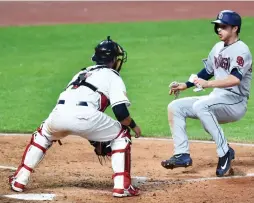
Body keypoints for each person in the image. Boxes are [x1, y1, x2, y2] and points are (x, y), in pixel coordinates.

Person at [9, 36, 141, 197]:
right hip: (85, 117)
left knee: (43, 134)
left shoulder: (82, 73)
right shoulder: (113, 76)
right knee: (121, 135)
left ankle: (19, 179)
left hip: (58, 115)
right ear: (113, 59)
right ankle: (122, 186)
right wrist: (133, 125)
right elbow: (121, 113)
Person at [161, 10, 252, 177]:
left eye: (223, 26)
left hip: (235, 101)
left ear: (235, 28)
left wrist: (208, 84)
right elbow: (207, 71)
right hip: (217, 98)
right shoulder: (217, 47)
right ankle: (182, 154)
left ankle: (224, 153)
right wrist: (185, 85)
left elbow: (235, 79)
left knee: (201, 106)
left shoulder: (242, 50)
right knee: (175, 107)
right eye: (217, 26)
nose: (219, 30)